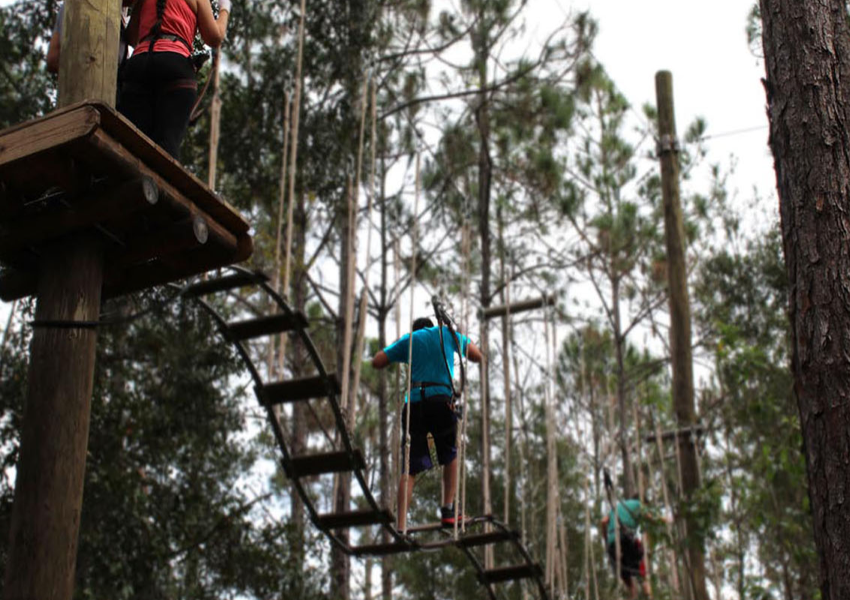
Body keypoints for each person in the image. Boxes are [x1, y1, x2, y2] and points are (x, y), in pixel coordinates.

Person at [371, 316, 482, 530]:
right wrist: (461, 340)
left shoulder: (410, 340)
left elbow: (378, 361)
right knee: (450, 455)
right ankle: (448, 510)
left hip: (414, 406)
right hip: (441, 401)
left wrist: (401, 353)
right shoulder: (446, 334)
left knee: (409, 469)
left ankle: (401, 524)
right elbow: (476, 356)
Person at [118, 0, 231, 158]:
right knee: (167, 147)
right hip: (175, 66)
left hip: (139, 65)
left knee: (132, 145)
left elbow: (131, 37)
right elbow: (215, 37)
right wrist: (225, 9)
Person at [600, 496, 668, 599]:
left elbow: (603, 522)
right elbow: (651, 517)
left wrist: (606, 540)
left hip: (612, 543)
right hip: (624, 539)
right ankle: (648, 594)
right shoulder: (638, 504)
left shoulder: (617, 507)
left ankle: (632, 594)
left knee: (627, 579)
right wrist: (666, 520)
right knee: (641, 570)